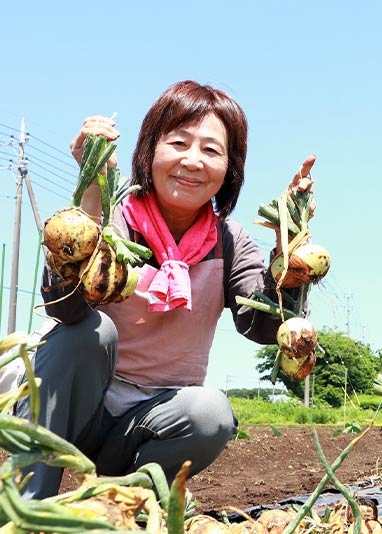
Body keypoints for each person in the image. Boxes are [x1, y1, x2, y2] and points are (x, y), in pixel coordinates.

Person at [9, 80, 315, 498]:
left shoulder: (228, 240)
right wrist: (92, 191)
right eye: (178, 143)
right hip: (74, 409)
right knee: (90, 333)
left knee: (211, 412)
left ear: (230, 169)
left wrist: (289, 254)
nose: (192, 161)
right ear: (149, 151)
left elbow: (260, 326)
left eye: (211, 150)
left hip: (147, 422)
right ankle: (27, 507)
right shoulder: (116, 219)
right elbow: (66, 310)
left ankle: (126, 501)